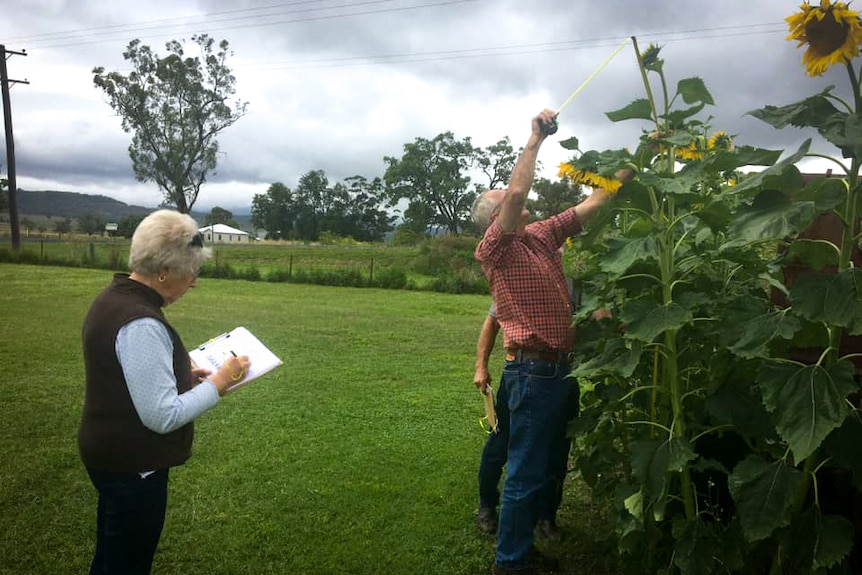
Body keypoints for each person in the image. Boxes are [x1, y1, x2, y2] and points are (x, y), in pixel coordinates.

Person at [472, 108, 631, 575]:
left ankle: (518, 548)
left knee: (537, 468)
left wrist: (637, 161)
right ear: (497, 217)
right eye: (510, 205)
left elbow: (594, 204)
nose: (523, 205)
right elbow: (519, 189)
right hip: (534, 370)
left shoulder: (540, 236)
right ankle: (511, 564)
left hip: (559, 368)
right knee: (523, 471)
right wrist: (535, 138)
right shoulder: (494, 250)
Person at [78, 209, 251, 575]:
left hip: (109, 455)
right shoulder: (140, 322)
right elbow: (162, 416)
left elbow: (128, 381)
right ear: (164, 272)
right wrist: (220, 383)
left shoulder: (113, 298)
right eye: (191, 273)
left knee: (110, 557)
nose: (193, 283)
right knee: (127, 565)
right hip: (132, 469)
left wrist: (186, 381)